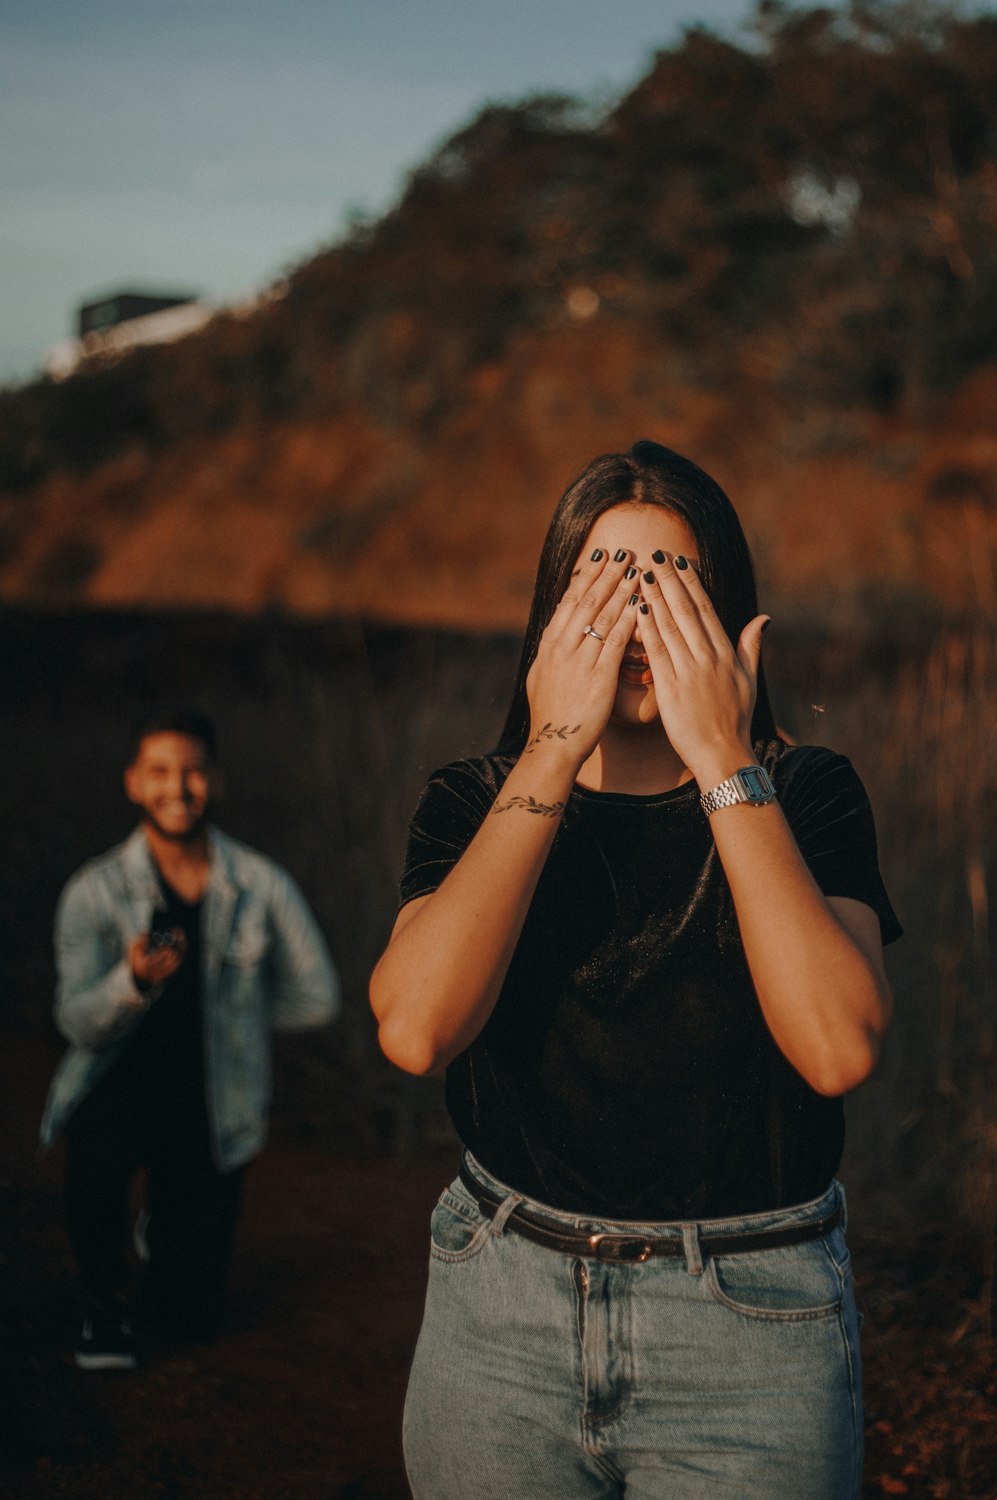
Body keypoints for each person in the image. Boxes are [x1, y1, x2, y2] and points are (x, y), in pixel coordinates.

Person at [370, 441, 901, 1500]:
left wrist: (723, 757)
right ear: (551, 614)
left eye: (673, 581)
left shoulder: (807, 792)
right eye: (605, 580)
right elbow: (417, 1028)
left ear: (730, 615)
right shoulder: (474, 799)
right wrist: (552, 746)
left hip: (750, 1330)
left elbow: (838, 1047)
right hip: (500, 1314)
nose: (636, 618)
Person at [40, 709, 339, 1370]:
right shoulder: (95, 891)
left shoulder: (260, 886)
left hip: (212, 1098)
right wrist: (133, 980)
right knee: (96, 1169)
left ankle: (164, 1234)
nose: (178, 787)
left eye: (193, 771)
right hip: (113, 1087)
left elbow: (316, 996)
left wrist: (236, 1018)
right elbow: (76, 1021)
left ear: (217, 781)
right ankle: (103, 1302)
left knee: (188, 1322)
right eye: (160, 772)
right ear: (133, 784)